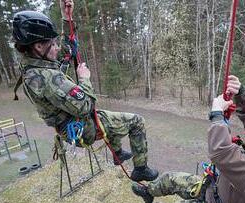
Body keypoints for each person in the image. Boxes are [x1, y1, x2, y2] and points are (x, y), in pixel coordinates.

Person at [84, 75, 245, 203]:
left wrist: (217, 116)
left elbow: (222, 154)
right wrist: (241, 93)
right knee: (169, 179)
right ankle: (148, 191)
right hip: (213, 189)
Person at [11, 0, 158, 182]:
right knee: (136, 122)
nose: (57, 47)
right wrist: (84, 78)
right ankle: (141, 169)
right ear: (39, 46)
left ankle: (117, 153)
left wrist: (67, 18)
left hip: (70, 125)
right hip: (83, 128)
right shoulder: (48, 78)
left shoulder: (33, 67)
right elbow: (85, 106)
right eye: (53, 43)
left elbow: (66, 52)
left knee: (111, 119)